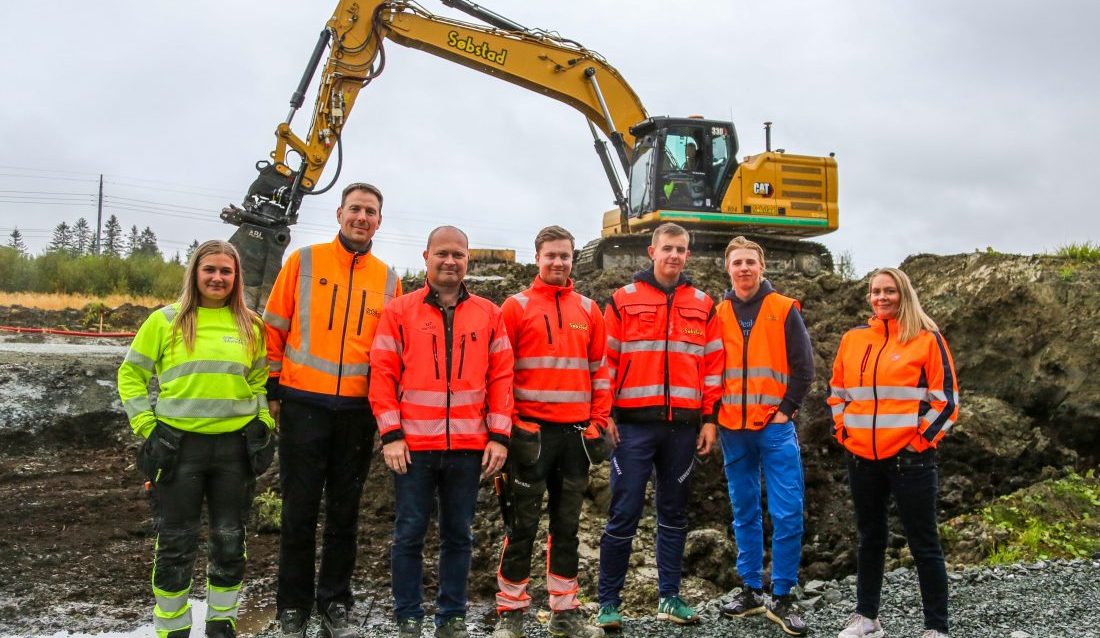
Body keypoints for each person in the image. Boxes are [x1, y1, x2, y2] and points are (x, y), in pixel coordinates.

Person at [264, 182, 402, 638]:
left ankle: (336, 602)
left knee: (345, 512)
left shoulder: (388, 279)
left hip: (357, 412)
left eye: (371, 212)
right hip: (304, 404)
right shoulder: (302, 262)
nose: (362, 217)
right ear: (339, 213)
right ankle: (293, 605)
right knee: (299, 510)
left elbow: (389, 351)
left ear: (379, 221)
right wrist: (273, 389)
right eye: (356, 209)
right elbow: (275, 327)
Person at [118, 240, 275, 638]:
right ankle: (172, 628)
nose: (218, 278)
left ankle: (222, 623)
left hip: (234, 451)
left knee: (229, 539)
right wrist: (148, 429)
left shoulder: (252, 325)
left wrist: (262, 422)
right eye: (210, 270)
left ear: (236, 276)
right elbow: (131, 376)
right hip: (177, 449)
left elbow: (257, 379)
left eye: (226, 271)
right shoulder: (164, 321)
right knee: (175, 542)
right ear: (195, 273)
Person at [369, 226, 514, 638]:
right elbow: (381, 375)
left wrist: (499, 436)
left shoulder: (489, 313)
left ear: (468, 259)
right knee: (409, 532)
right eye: (442, 254)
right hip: (413, 447)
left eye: (458, 255)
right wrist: (391, 434)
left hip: (468, 449)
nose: (450, 261)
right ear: (426, 256)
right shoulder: (399, 311)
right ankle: (408, 616)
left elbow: (503, 377)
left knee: (459, 535)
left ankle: (451, 616)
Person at [596, 222, 723, 629]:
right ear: (651, 252)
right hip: (632, 428)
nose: (674, 255)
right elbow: (605, 362)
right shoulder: (622, 300)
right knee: (624, 511)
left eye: (681, 249)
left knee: (674, 513)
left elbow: (713, 367)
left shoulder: (704, 304)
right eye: (667, 248)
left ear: (688, 255)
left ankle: (669, 598)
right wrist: (606, 414)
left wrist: (709, 420)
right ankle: (607, 602)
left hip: (683, 429)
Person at [491, 226, 610, 638]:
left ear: (573, 259)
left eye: (565, 256)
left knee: (568, 527)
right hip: (531, 437)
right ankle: (512, 613)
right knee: (520, 525)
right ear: (537, 257)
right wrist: (510, 426)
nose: (558, 262)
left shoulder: (589, 310)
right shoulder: (515, 307)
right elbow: (500, 373)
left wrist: (598, 421)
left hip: (575, 436)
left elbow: (600, 373)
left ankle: (565, 612)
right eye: (551, 255)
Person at [828, 267, 958, 638]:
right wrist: (844, 432)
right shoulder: (853, 339)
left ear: (904, 295)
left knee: (924, 543)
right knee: (870, 537)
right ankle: (867, 619)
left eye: (889, 291)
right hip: (861, 458)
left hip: (910, 459)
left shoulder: (926, 340)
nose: (881, 298)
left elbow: (947, 402)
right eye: (875, 291)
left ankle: (936, 628)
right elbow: (837, 392)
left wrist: (918, 441)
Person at [714, 236, 814, 637]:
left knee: (788, 510)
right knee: (744, 511)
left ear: (762, 266)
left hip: (773, 429)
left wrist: (785, 411)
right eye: (737, 262)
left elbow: (803, 368)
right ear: (728, 268)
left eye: (750, 262)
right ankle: (752, 589)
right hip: (732, 430)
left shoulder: (783, 309)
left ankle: (784, 594)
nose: (743, 268)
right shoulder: (717, 313)